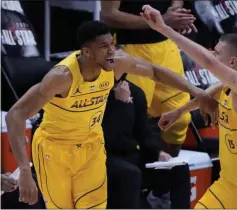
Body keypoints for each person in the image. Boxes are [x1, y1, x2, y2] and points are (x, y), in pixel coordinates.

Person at [5, 20, 208, 208]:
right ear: (87, 52)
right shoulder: (61, 78)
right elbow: (15, 115)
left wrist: (196, 91)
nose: (112, 51)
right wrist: (24, 170)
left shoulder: (116, 64)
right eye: (104, 47)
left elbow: (155, 71)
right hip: (55, 148)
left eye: (112, 44)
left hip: (92, 145)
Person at [142, 5, 237, 208]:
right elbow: (209, 93)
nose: (212, 55)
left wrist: (164, 29)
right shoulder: (227, 86)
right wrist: (179, 112)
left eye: (217, 53)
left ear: (232, 62)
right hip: (228, 186)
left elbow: (208, 62)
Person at [101, 0, 197, 158]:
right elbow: (109, 15)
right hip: (131, 48)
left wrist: (176, 11)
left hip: (166, 46)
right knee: (133, 120)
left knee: (180, 119)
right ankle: (140, 175)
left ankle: (168, 168)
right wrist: (160, 21)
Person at [102, 78, 172, 209]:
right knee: (130, 172)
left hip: (130, 155)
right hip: (103, 154)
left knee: (178, 168)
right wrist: (120, 105)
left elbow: (143, 131)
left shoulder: (135, 92)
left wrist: (158, 152)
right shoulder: (95, 93)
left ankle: (160, 200)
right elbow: (108, 137)